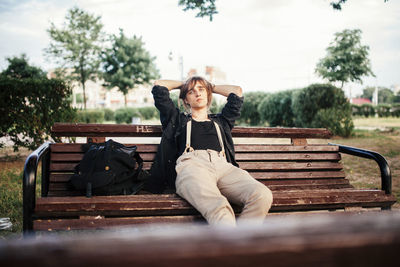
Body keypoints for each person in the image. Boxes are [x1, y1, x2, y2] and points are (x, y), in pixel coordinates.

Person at [144, 76, 273, 226]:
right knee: (219, 208)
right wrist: (185, 85)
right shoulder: (177, 120)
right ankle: (238, 247)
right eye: (191, 92)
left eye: (201, 90)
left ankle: (240, 243)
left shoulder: (222, 122)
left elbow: (237, 92)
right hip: (192, 166)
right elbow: (159, 86)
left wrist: (210, 85)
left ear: (208, 94)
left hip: (223, 166)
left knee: (261, 195)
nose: (198, 93)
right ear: (186, 100)